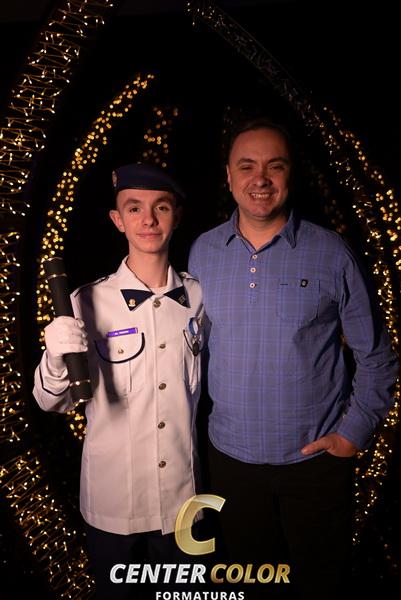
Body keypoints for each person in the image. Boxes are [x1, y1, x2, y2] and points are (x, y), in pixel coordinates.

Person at [188, 117, 399, 599]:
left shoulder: (331, 252)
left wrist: (352, 434)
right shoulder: (203, 252)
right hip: (231, 462)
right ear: (229, 176)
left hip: (315, 466)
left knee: (321, 586)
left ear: (290, 174)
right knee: (248, 583)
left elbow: (377, 357)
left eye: (274, 166)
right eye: (247, 166)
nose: (260, 179)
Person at [33, 164, 205, 599]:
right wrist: (55, 357)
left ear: (176, 216)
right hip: (114, 503)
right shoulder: (87, 301)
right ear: (118, 220)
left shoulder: (200, 297)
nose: (148, 220)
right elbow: (51, 402)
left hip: (183, 501)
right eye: (134, 209)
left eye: (160, 207)